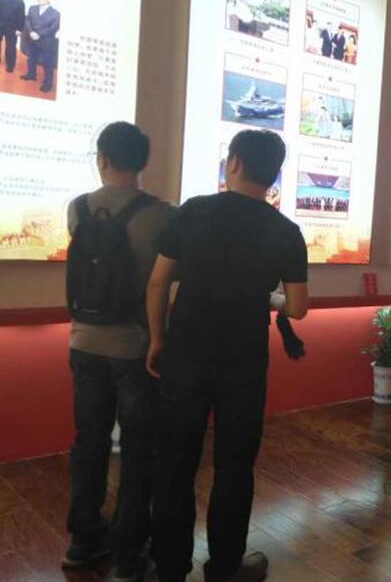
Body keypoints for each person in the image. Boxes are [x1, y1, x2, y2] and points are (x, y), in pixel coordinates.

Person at [146, 129, 309, 582]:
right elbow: (297, 307)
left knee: (175, 463)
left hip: (185, 355)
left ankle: (170, 567)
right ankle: (224, 568)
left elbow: (158, 282)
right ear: (274, 174)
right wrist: (265, 297)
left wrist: (157, 339)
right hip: (244, 363)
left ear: (233, 163)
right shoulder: (286, 231)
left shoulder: (193, 211)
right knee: (235, 467)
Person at [62, 122, 176, 581]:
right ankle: (129, 555)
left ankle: (83, 540)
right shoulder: (163, 215)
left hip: (83, 343)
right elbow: (164, 280)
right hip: (135, 349)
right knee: (137, 450)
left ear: (102, 158)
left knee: (88, 442)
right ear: (144, 162)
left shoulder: (76, 210)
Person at [21, 0, 60, 92]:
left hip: (47, 42)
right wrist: (31, 32)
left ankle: (48, 84)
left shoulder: (56, 14)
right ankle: (31, 75)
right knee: (31, 59)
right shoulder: (32, 8)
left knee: (47, 64)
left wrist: (39, 34)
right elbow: (27, 21)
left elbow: (53, 28)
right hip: (32, 38)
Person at [0, 0, 25, 73]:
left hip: (12, 28)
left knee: (10, 47)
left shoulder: (19, 1)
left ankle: (10, 65)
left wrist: (19, 29)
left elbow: (21, 16)